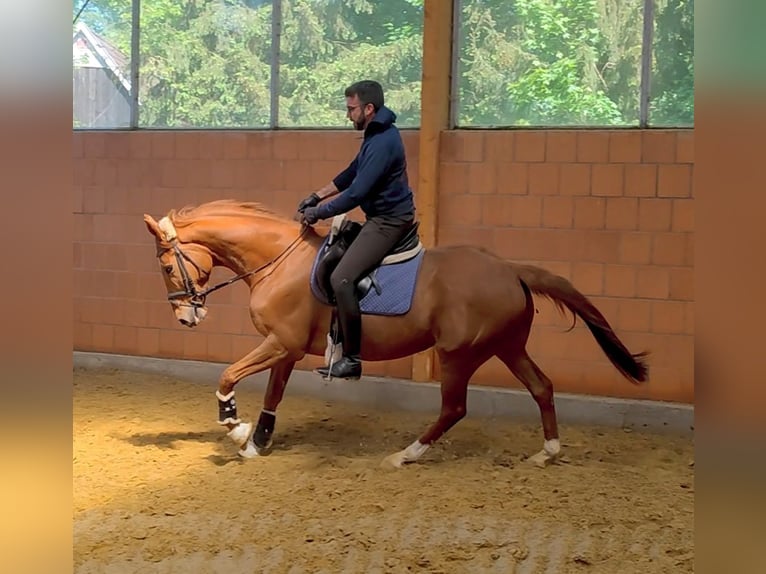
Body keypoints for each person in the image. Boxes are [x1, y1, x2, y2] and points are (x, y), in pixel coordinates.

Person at [296, 80, 416, 380]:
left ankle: (351, 359)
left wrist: (318, 213)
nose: (348, 115)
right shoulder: (375, 135)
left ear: (369, 108)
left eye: (351, 109)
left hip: (389, 221)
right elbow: (351, 173)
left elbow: (356, 193)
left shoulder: (384, 141)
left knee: (342, 277)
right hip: (380, 218)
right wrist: (316, 195)